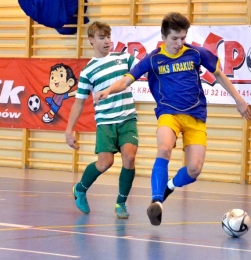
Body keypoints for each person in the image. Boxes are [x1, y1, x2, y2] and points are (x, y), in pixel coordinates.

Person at [94, 12, 251, 226]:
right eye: (174, 38)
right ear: (164, 36)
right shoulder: (153, 59)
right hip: (169, 114)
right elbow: (126, 80)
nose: (179, 43)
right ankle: (157, 201)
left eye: (183, 38)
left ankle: (169, 186)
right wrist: (108, 91)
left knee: (194, 169)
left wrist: (239, 101)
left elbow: (219, 75)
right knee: (164, 148)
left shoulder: (196, 53)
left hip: (195, 117)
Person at [65, 21, 139, 219]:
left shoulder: (124, 58)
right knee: (105, 163)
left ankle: (121, 203)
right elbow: (79, 103)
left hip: (127, 118)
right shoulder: (87, 72)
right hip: (105, 122)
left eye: (108, 37)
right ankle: (80, 188)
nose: (107, 41)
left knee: (129, 158)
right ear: (91, 41)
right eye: (101, 37)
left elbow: (144, 68)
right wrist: (69, 130)